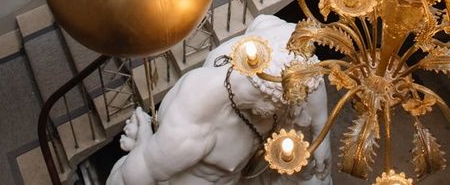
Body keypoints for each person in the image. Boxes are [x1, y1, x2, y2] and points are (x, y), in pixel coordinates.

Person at [107, 14, 331, 185]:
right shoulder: (192, 126)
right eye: (286, 104)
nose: (298, 112)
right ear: (266, 96)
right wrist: (145, 145)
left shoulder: (271, 40)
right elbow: (132, 177)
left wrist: (322, 132)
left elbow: (308, 75)